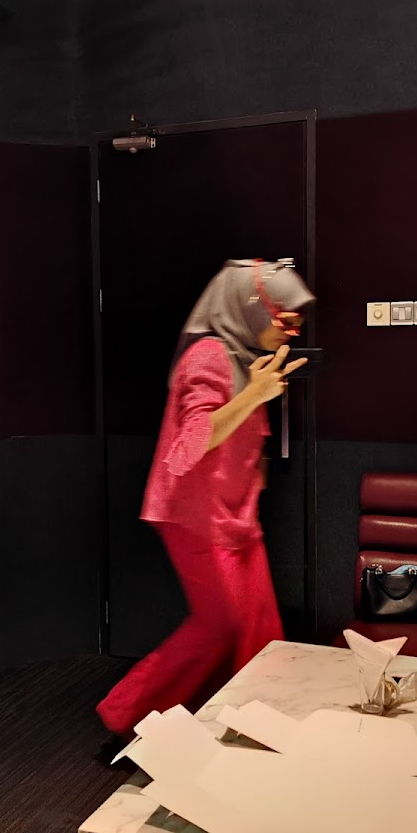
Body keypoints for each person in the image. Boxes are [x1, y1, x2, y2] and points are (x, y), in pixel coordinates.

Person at [96, 259, 314, 743]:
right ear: (252, 307)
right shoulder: (207, 357)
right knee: (222, 625)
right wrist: (255, 395)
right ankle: (127, 711)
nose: (292, 331)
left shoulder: (243, 356)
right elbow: (190, 444)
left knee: (259, 624)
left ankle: (253, 716)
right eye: (285, 318)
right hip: (195, 516)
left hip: (234, 513)